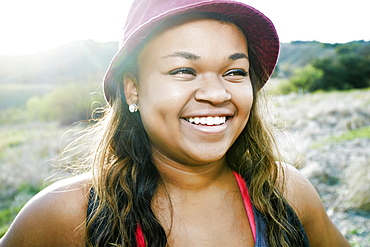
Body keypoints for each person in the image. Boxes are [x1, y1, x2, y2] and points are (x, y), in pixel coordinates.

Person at [0, 0, 350, 246]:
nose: (216, 93)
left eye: (235, 72)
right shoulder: (65, 214)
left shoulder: (285, 192)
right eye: (184, 70)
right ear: (132, 89)